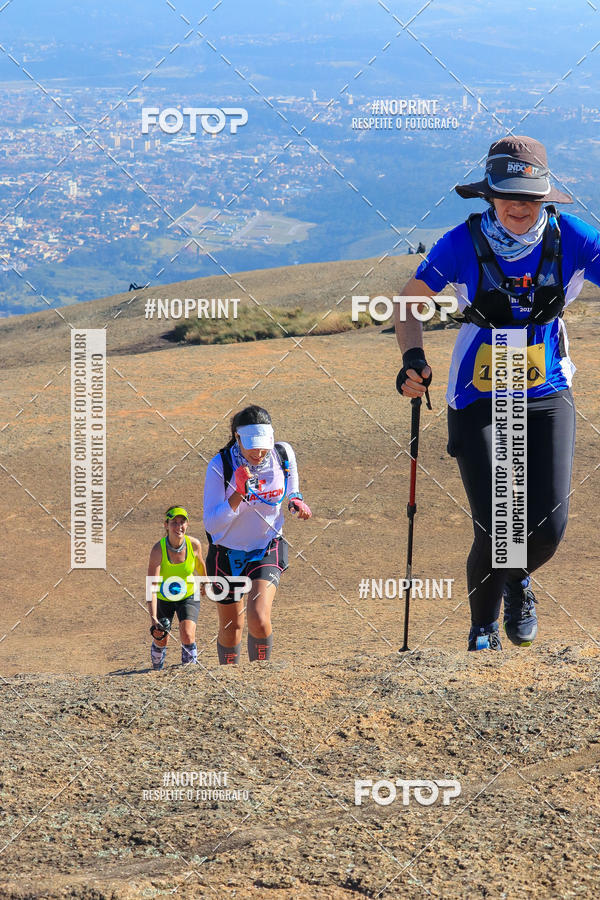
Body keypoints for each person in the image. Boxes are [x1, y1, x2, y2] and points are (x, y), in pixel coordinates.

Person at [395, 135, 600, 651]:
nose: (516, 205)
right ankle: (482, 631)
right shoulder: (461, 243)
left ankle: (516, 580)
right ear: (488, 194)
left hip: (546, 389)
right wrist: (412, 359)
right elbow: (409, 303)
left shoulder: (573, 238)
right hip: (478, 396)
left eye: (528, 197)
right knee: (501, 524)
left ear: (546, 198)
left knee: (548, 529)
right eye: (505, 193)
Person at [203, 405, 312, 664]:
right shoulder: (220, 465)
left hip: (266, 547)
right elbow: (211, 524)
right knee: (232, 629)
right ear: (237, 438)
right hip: (225, 555)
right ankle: (230, 685)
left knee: (259, 617)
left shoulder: (282, 453)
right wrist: (238, 494)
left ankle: (260, 680)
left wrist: (295, 501)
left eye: (263, 445)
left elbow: (291, 487)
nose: (258, 452)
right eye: (252, 445)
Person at [146, 506, 206, 670]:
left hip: (188, 595)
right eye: (174, 522)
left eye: (182, 522)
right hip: (163, 598)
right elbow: (152, 587)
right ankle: (156, 672)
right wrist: (154, 621)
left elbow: (200, 565)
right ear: (166, 525)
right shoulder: (158, 550)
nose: (179, 526)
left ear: (187, 524)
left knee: (187, 634)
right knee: (161, 638)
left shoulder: (194, 545)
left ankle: (189, 672)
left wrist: (205, 582)